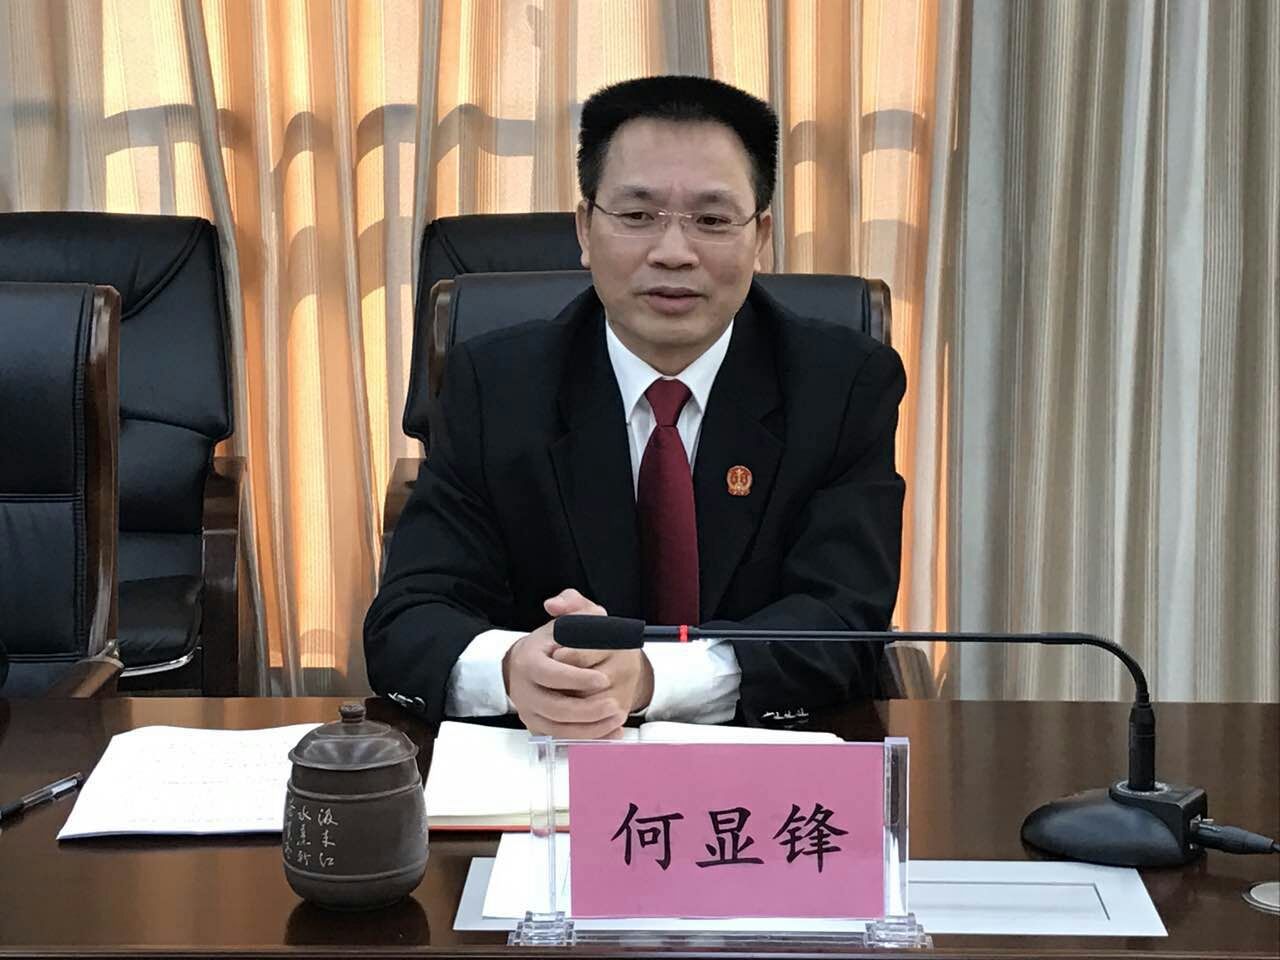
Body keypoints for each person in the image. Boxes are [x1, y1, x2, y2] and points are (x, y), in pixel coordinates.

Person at [365, 75, 905, 737]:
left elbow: (845, 621)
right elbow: (409, 618)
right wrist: (511, 668)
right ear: (585, 229)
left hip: (761, 760)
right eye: (637, 216)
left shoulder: (844, 385)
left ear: (760, 236)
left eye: (712, 220)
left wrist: (649, 678)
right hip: (546, 761)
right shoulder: (494, 385)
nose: (673, 253)